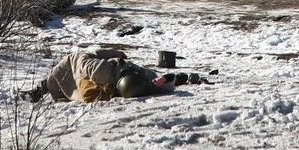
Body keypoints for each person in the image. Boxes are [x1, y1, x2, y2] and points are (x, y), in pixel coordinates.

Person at [22, 50, 206, 103]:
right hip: (107, 76)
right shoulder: (144, 80)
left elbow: (81, 58)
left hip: (94, 69)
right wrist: (170, 77)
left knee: (71, 59)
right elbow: (168, 80)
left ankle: (39, 90)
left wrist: (109, 52)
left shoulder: (102, 70)